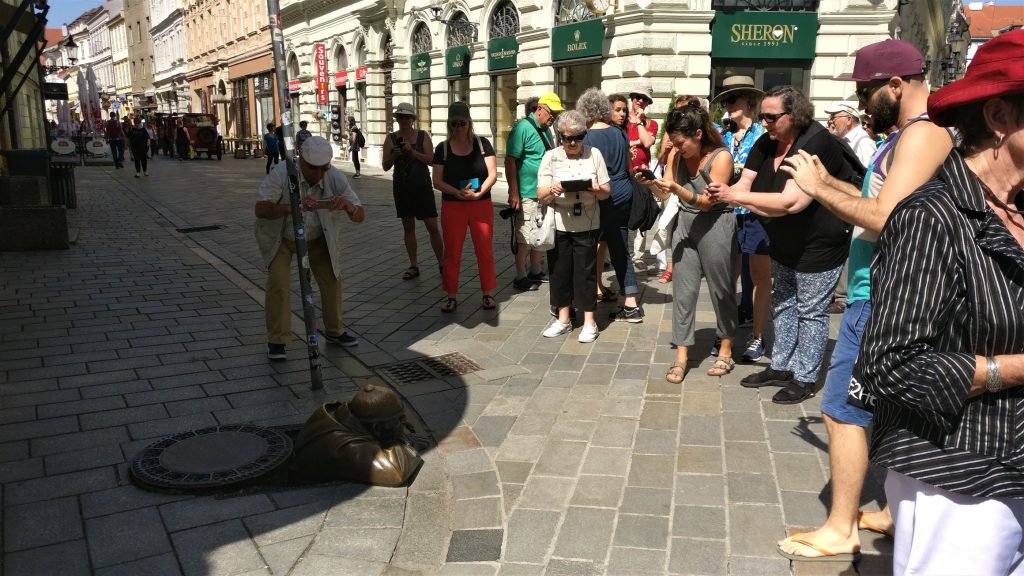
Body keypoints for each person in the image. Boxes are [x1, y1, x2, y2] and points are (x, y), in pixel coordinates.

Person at [774, 39, 955, 563]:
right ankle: (901, 511)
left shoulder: (922, 135)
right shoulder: (908, 135)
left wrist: (819, 187)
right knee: (893, 413)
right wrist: (828, 178)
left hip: (879, 297)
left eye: (866, 88)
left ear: (896, 85)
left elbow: (885, 217)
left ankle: (840, 529)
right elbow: (881, 200)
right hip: (878, 292)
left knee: (841, 410)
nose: (860, 98)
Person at [857, 29, 1024, 575]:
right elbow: (891, 366)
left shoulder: (1017, 208)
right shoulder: (933, 217)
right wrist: (1013, 369)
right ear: (1000, 117)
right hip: (960, 472)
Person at [708, 86, 855, 405]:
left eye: (772, 117)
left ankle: (805, 377)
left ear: (796, 115)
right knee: (784, 300)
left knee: (812, 310)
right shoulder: (766, 140)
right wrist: (727, 191)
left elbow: (792, 202)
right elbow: (744, 184)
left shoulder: (815, 143)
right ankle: (782, 366)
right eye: (763, 116)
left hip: (822, 239)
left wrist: (735, 196)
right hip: (785, 235)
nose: (765, 122)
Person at [639, 105, 737, 383]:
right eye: (673, 143)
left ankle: (726, 349)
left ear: (697, 134)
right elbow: (664, 192)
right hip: (685, 225)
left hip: (716, 224)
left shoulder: (721, 158)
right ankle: (682, 355)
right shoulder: (676, 154)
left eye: (681, 143)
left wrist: (677, 189)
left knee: (722, 289)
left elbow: (708, 203)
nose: (677, 148)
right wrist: (649, 184)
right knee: (683, 291)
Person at [255, 136, 365, 361]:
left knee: (333, 279)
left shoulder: (334, 176)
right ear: (300, 162)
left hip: (316, 237)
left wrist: (348, 207)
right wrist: (292, 207)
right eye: (312, 169)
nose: (318, 175)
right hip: (281, 237)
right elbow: (261, 209)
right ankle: (277, 339)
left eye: (322, 169)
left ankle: (335, 331)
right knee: (279, 283)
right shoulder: (282, 173)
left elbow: (360, 216)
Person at [537, 109, 611, 343]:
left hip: (587, 223)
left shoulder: (594, 154)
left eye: (578, 138)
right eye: (568, 138)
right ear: (560, 136)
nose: (573, 143)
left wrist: (595, 188)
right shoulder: (551, 156)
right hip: (559, 223)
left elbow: (606, 192)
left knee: (585, 274)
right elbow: (540, 194)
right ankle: (563, 319)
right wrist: (553, 189)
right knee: (559, 273)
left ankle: (590, 321)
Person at [711, 75, 769, 364]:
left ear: (747, 101)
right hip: (726, 214)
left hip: (755, 213)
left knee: (759, 278)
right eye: (724, 101)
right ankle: (725, 334)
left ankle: (757, 337)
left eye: (732, 100)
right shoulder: (722, 136)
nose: (727, 106)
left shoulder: (763, 134)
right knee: (726, 276)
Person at [432, 101, 498, 313]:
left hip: (481, 204)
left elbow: (493, 174)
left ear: (469, 123)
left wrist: (480, 192)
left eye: (462, 123)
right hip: (453, 205)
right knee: (452, 252)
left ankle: (488, 293)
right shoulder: (442, 148)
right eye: (454, 123)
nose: (458, 127)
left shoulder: (482, 144)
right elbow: (437, 180)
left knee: (484, 251)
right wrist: (456, 192)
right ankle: (451, 295)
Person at [291, 384, 422, 487]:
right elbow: (396, 473)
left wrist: (396, 430)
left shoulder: (350, 413)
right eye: (398, 420)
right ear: (376, 428)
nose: (404, 422)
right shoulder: (348, 446)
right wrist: (403, 440)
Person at [506, 92, 563, 291]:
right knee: (524, 236)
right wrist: (514, 192)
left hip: (543, 192)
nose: (553, 117)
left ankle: (536, 270)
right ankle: (520, 275)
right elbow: (510, 159)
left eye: (556, 114)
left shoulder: (546, 129)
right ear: (540, 109)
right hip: (527, 193)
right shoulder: (523, 127)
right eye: (551, 113)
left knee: (541, 231)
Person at [578, 89, 629, 305]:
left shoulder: (587, 137)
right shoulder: (620, 133)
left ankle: (589, 292)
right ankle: (629, 298)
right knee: (617, 245)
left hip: (597, 195)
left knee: (589, 245)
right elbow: (627, 165)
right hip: (623, 192)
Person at [382, 102, 443, 281]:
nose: (404, 120)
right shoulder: (391, 138)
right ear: (397, 119)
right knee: (408, 228)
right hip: (402, 187)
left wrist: (412, 152)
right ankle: (413, 265)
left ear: (413, 119)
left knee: (432, 226)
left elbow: (432, 160)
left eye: (407, 117)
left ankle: (442, 263)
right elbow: (385, 166)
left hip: (422, 186)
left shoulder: (423, 136)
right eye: (400, 117)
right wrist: (395, 155)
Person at [626, 78, 658, 274]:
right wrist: (634, 142)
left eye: (644, 99)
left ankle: (638, 255)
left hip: (642, 174)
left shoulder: (650, 123)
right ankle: (626, 253)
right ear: (632, 98)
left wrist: (638, 123)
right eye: (637, 97)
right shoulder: (620, 119)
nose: (640, 101)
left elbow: (647, 143)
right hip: (625, 174)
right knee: (625, 214)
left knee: (643, 214)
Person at [825, 101, 876, 167]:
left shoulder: (864, 143)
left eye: (834, 117)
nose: (831, 121)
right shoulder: (846, 139)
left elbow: (869, 174)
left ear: (848, 120)